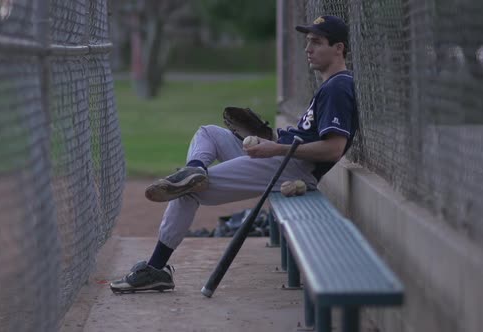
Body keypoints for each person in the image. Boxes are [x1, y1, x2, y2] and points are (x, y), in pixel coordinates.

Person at [110, 15, 359, 293]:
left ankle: (156, 269)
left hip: (291, 168)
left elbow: (334, 148)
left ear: (339, 48)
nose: (307, 49)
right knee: (208, 133)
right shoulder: (329, 85)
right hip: (281, 158)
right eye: (307, 41)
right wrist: (272, 139)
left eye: (317, 42)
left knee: (189, 192)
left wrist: (274, 147)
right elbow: (309, 136)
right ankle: (195, 170)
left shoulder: (338, 87)